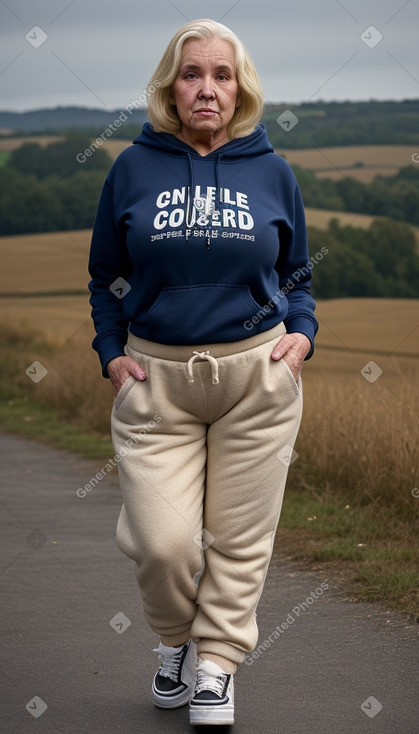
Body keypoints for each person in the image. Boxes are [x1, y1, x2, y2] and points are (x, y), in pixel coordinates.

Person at [88, 18, 318, 727]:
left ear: (240, 88)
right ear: (169, 87)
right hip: (155, 381)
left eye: (222, 75)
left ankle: (216, 666)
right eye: (192, 74)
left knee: (241, 539)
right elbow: (105, 277)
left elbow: (297, 274)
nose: (207, 89)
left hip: (256, 377)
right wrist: (111, 354)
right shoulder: (131, 167)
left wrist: (301, 337)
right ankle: (173, 641)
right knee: (163, 545)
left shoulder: (271, 171)